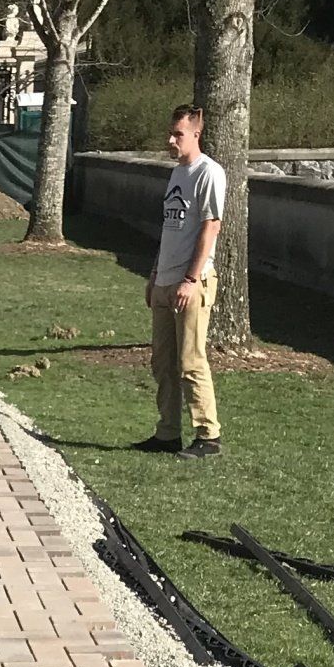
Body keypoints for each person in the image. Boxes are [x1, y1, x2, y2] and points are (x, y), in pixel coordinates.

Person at [139, 101, 226, 459]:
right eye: (170, 132)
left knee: (191, 360)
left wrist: (191, 279)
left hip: (193, 282)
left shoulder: (209, 173)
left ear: (196, 133)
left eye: (178, 134)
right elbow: (169, 229)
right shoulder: (177, 174)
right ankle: (167, 433)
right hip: (165, 279)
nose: (171, 139)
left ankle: (208, 436)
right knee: (162, 362)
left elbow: (210, 227)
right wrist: (156, 274)